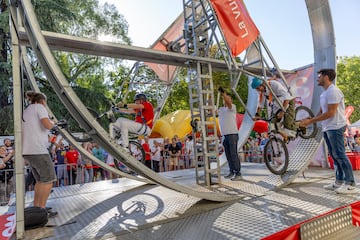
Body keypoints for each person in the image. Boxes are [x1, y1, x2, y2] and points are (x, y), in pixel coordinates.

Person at [301, 68, 356, 194]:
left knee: (340, 155)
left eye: (319, 76)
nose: (317, 78)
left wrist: (311, 121)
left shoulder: (333, 92)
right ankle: (339, 181)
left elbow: (330, 113)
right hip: (327, 127)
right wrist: (311, 118)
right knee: (334, 156)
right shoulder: (324, 93)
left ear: (326, 77)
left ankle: (350, 183)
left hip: (335, 127)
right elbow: (322, 111)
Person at [22, 91, 58, 217]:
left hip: (28, 151)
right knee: (48, 180)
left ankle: (37, 208)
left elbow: (38, 131)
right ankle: (41, 211)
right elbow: (47, 124)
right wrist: (54, 123)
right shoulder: (40, 107)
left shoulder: (27, 111)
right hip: (38, 151)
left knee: (40, 181)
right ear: (43, 101)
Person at [217, 87, 242, 181]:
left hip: (232, 134)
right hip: (225, 135)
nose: (226, 99)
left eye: (228, 98)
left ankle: (238, 173)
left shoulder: (232, 108)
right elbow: (211, 111)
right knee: (228, 155)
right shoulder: (221, 109)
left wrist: (224, 94)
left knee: (233, 154)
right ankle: (232, 171)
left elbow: (228, 102)